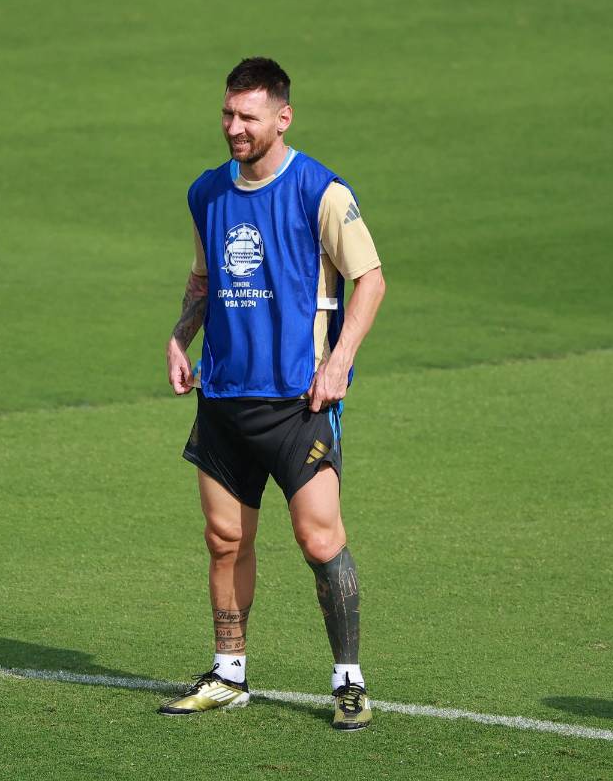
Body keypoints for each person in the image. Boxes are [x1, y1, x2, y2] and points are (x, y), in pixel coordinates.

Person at [159, 57, 386, 731]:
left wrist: (340, 360)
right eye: (228, 114)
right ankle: (229, 673)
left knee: (320, 540)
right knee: (224, 539)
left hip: (299, 403)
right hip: (225, 396)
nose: (234, 127)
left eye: (248, 117)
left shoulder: (323, 192)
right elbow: (203, 279)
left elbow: (370, 278)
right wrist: (179, 336)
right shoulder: (207, 193)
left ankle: (349, 681)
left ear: (282, 118)